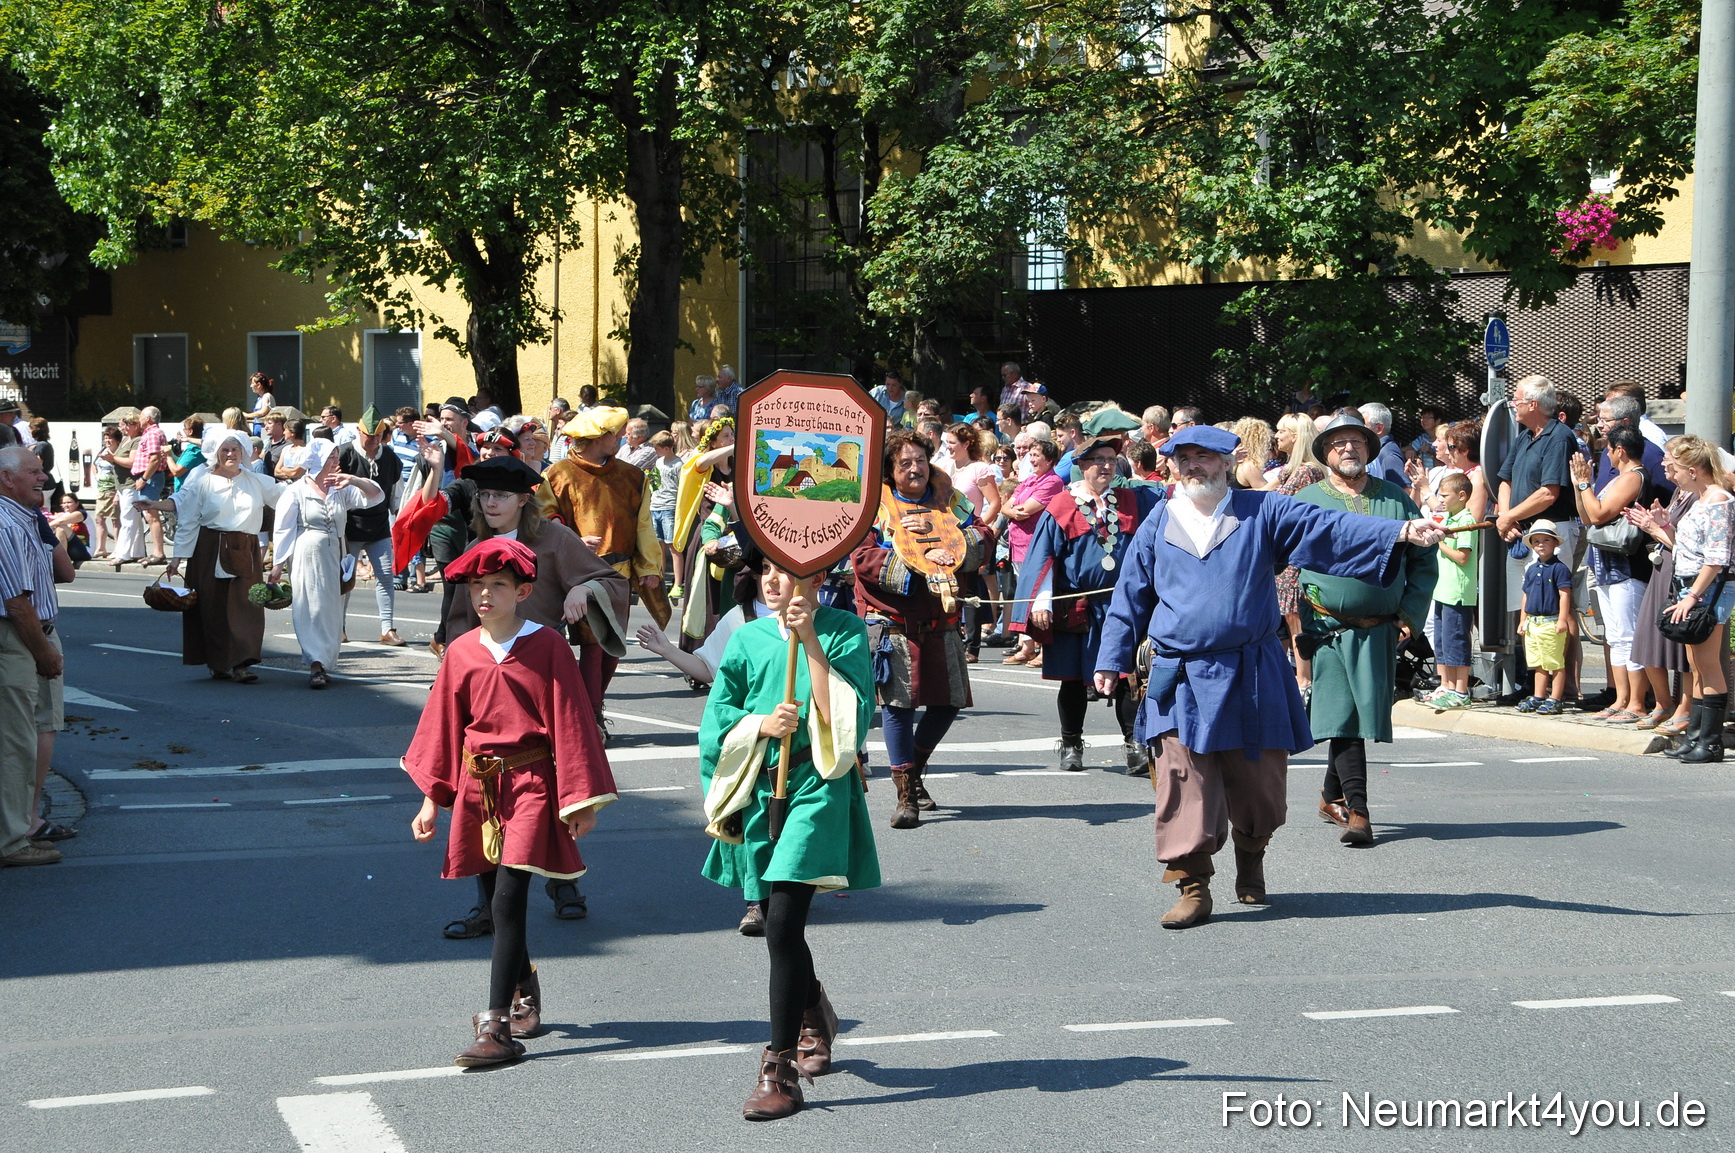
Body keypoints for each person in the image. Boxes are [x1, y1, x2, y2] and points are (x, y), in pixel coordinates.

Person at [1094, 426, 1445, 929]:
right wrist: (1112, 659)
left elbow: (1329, 528)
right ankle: (1193, 884)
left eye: (1205, 457)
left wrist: (1401, 531)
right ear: (1171, 465)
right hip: (1179, 678)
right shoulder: (1158, 522)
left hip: (1251, 672)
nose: (1194, 466)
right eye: (1183, 458)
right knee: (1182, 783)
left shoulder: (1262, 510)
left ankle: (1251, 853)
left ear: (1228, 461)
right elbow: (1129, 596)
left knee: (1259, 789)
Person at [404, 538, 617, 1066]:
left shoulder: (546, 645)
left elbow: (570, 721)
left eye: (497, 585)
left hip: (531, 785)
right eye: (477, 585)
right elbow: (443, 729)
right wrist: (433, 799)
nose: (484, 594)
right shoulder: (460, 651)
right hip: (479, 790)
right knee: (495, 898)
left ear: (523, 591)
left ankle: (496, 1026)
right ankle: (526, 985)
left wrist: (580, 797)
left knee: (508, 897)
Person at [697, 557, 876, 1120]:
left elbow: (848, 718)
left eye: (789, 573)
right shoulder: (746, 638)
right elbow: (717, 720)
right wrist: (758, 725)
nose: (774, 582)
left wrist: (810, 642)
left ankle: (779, 1070)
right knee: (780, 924)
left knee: (781, 922)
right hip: (759, 785)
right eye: (767, 572)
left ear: (818, 578)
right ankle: (812, 1006)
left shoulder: (844, 630)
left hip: (817, 785)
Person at [1295, 415, 1437, 846]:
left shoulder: (1396, 500)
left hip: (1379, 629)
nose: (1348, 449)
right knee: (1344, 717)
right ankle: (1359, 811)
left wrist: (1409, 617)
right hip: (1327, 627)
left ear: (1369, 449)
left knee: (1353, 717)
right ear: (1325, 453)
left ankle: (1329, 794)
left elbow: (1423, 565)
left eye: (1356, 441)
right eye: (1338, 444)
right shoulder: (1306, 499)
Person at [852, 429, 995, 829]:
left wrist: (953, 551)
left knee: (948, 702)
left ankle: (913, 770)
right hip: (894, 622)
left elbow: (984, 533)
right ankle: (905, 796)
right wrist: (915, 568)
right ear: (890, 469)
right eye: (905, 463)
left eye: (920, 460)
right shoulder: (874, 505)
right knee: (898, 707)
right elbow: (862, 554)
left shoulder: (949, 497)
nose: (915, 468)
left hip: (944, 619)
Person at [1012, 436, 1164, 775]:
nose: (1106, 466)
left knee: (1127, 676)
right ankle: (1071, 744)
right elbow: (1043, 557)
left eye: (1111, 459)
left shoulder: (1133, 499)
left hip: (1122, 606)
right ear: (1082, 466)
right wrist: (1041, 599)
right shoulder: (1062, 506)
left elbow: (1172, 496)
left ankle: (1134, 746)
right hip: (1077, 606)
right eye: (1098, 460)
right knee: (1073, 679)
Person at [540, 406, 665, 732]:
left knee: (611, 648)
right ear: (597, 438)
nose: (621, 437)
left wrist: (650, 565)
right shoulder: (558, 474)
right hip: (576, 574)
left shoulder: (633, 476)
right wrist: (572, 542)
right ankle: (590, 719)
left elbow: (643, 526)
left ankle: (590, 708)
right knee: (594, 647)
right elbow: (543, 518)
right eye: (614, 433)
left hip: (619, 575)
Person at [153, 430, 287, 682]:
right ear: (216, 453)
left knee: (247, 607)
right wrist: (177, 557)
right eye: (225, 450)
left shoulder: (255, 481)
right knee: (213, 607)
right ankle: (218, 662)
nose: (230, 454)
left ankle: (242, 664)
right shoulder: (204, 482)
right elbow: (189, 520)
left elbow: (286, 496)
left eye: (235, 450)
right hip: (210, 547)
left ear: (243, 453)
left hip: (245, 549)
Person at [0, 447, 73, 867]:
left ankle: (19, 828)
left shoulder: (24, 517)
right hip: (19, 639)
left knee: (28, 736)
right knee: (14, 743)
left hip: (32, 634)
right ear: (7, 478)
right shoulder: (6, 523)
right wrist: (43, 651)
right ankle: (10, 841)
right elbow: (16, 603)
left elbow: (61, 573)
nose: (43, 477)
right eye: (34, 472)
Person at [268, 440, 384, 688]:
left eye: (336, 456)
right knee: (311, 608)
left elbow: (375, 496)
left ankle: (326, 660)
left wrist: (351, 479)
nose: (336, 461)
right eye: (331, 457)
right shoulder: (296, 491)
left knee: (332, 609)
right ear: (318, 461)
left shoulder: (340, 488)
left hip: (337, 553)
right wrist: (278, 564)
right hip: (306, 554)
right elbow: (283, 529)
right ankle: (315, 664)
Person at [1496, 375, 1581, 696]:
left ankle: (1565, 685)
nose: (1513, 406)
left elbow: (1549, 492)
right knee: (1525, 606)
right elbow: (1504, 479)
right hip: (1520, 531)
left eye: (1517, 400)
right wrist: (1507, 517)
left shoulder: (1559, 437)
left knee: (1557, 605)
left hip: (1552, 530)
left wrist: (1509, 516)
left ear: (1533, 404)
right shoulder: (1526, 436)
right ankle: (1533, 682)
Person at [1652, 437, 1734, 762]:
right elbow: (1689, 546)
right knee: (1696, 664)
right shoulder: (1701, 498)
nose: (1674, 475)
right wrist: (1664, 525)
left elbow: (1716, 557)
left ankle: (1711, 741)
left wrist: (1694, 596)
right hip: (1692, 586)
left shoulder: (1718, 501)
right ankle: (1695, 735)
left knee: (1709, 663)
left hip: (1710, 589)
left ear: (1693, 470)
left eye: (1677, 470)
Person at [1571, 424, 1652, 722]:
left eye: (1609, 449)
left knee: (1629, 637)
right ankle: (1621, 699)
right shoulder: (1618, 478)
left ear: (1620, 450)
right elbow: (1586, 516)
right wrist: (1581, 484)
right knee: (1615, 637)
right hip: (1606, 566)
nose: (1606, 454)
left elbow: (1599, 514)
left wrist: (1583, 484)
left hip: (1627, 568)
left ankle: (1637, 703)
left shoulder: (1633, 476)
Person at [338, 409, 407, 646]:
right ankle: (339, 626)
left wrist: (399, 515)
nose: (374, 441)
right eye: (369, 436)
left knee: (386, 576)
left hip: (379, 526)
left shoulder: (389, 456)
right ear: (359, 431)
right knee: (345, 578)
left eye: (378, 436)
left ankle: (387, 629)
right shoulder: (345, 454)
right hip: (350, 526)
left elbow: (397, 491)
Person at [671, 417, 738, 649]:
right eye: (726, 436)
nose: (732, 439)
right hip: (709, 535)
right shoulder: (704, 466)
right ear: (715, 443)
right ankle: (697, 655)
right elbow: (700, 461)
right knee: (705, 600)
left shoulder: (738, 467)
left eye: (733, 435)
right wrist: (736, 446)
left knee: (729, 597)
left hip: (736, 532)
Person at [1002, 437, 1064, 666]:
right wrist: (1012, 510)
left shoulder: (1053, 482)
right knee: (1024, 597)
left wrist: (1014, 509)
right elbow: (1006, 507)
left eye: (1037, 455)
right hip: (1017, 547)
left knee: (1041, 597)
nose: (1032, 459)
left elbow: (1026, 510)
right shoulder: (1027, 481)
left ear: (1049, 460)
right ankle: (1027, 645)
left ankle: (1044, 648)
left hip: (1037, 548)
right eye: (1031, 454)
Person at [1426, 473, 1478, 709]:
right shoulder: (1449, 517)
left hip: (1457, 591)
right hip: (1442, 590)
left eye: (1445, 495)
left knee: (1456, 640)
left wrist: (1439, 541)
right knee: (1442, 641)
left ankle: (1461, 690)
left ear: (1462, 496)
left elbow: (1462, 557)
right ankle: (1446, 685)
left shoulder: (1467, 520)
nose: (1441, 499)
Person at [1515, 521, 1573, 714]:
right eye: (1536, 541)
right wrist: (1523, 620)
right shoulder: (1531, 569)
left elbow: (1564, 594)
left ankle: (1556, 698)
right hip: (1533, 622)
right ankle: (1539, 696)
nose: (1541, 544)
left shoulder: (1559, 568)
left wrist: (1562, 619)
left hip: (1551, 621)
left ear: (1555, 543)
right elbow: (1526, 595)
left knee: (1555, 662)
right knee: (1538, 663)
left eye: (1546, 540)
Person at [1357, 402, 1408, 486]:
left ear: (1379, 428)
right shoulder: (1378, 451)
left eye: (1363, 426)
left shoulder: (1388, 455)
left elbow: (1405, 492)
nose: (1358, 430)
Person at [91, 426, 122, 559]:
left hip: (113, 490)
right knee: (99, 519)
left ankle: (117, 548)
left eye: (110, 438)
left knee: (116, 520)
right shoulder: (103, 450)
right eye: (106, 438)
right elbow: (94, 464)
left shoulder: (119, 454)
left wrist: (117, 494)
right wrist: (96, 475)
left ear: (117, 440)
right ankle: (101, 548)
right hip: (102, 491)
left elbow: (122, 473)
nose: (107, 441)